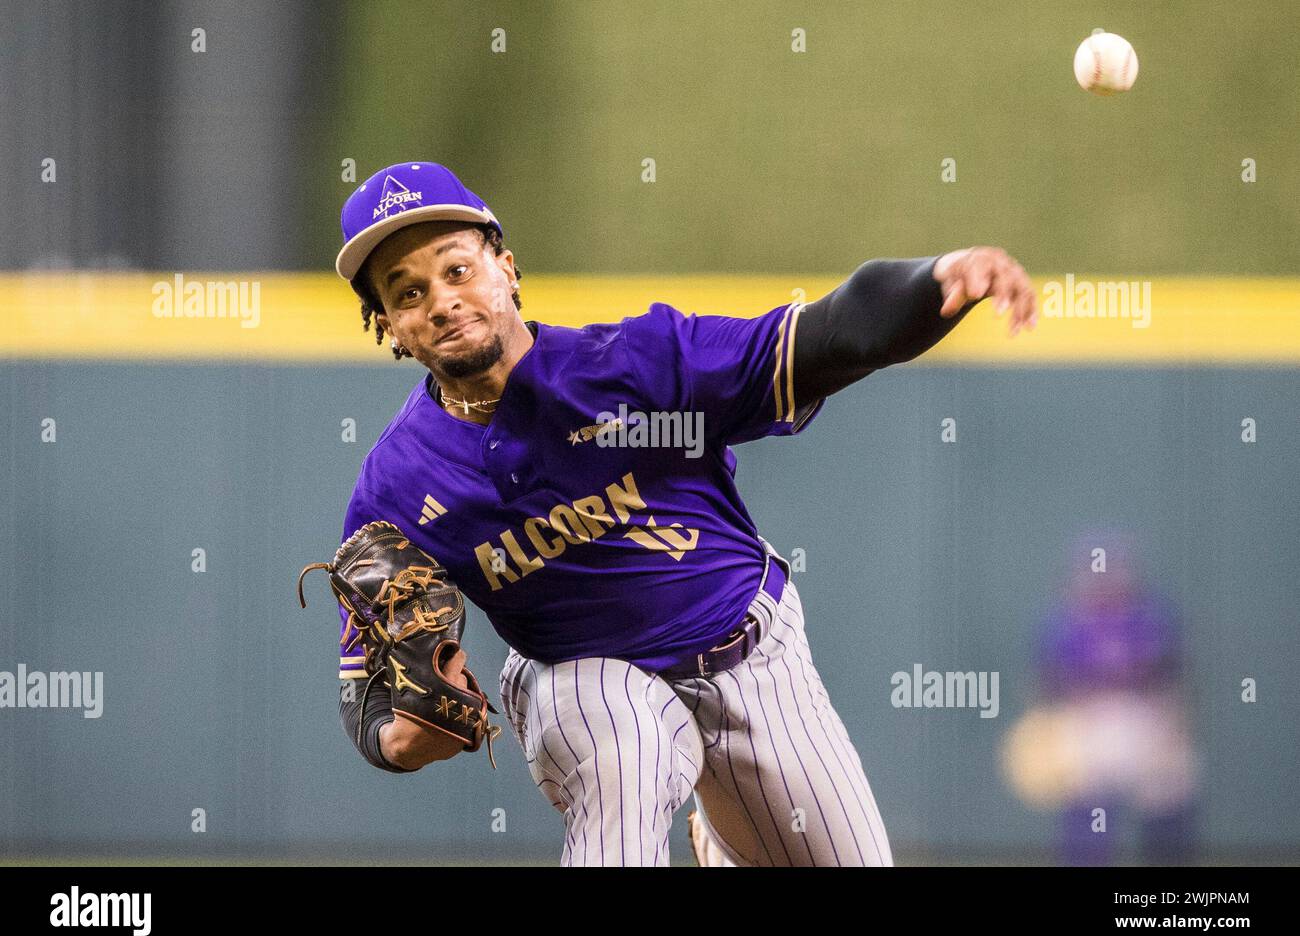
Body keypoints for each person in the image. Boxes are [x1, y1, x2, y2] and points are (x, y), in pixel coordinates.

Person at [330, 161, 1037, 866]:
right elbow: (364, 694)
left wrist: (936, 278)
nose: (443, 301)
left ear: (506, 269)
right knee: (621, 753)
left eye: (457, 270)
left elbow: (824, 336)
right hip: (581, 678)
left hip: (751, 659)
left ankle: (727, 844)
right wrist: (396, 741)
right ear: (390, 326)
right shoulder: (397, 486)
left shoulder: (637, 364)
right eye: (409, 292)